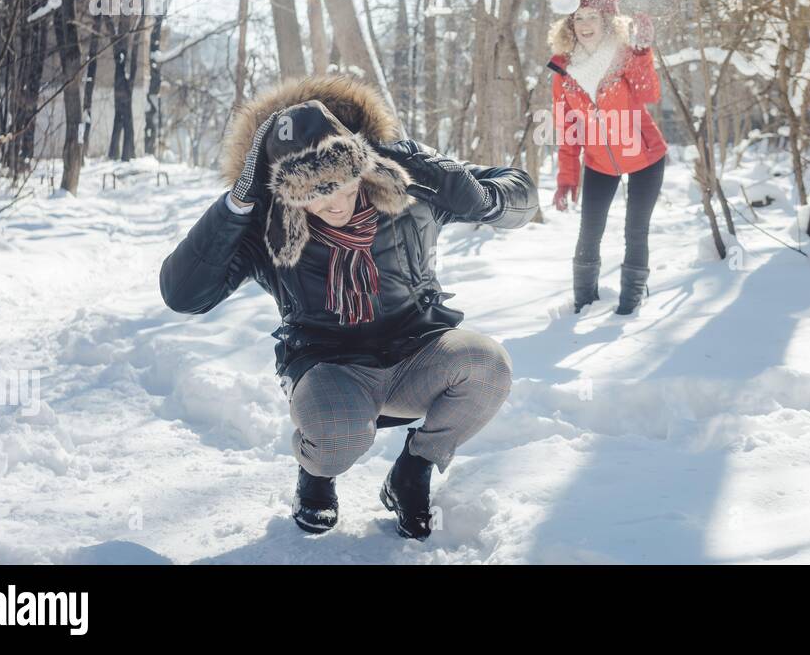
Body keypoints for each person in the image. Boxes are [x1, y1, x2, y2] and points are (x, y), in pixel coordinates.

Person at [158, 74, 536, 540]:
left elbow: (521, 194)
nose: (334, 202)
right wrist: (236, 204)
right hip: (330, 366)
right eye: (313, 192)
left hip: (416, 352)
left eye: (341, 182)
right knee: (338, 435)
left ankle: (411, 471)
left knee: (487, 366)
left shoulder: (406, 188)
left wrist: (469, 191)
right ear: (287, 194)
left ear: (359, 163)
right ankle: (316, 476)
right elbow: (183, 295)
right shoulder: (269, 228)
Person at [547, 0, 668, 315]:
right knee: (590, 232)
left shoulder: (626, 55)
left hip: (646, 157)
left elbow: (649, 94)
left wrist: (643, 52)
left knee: (635, 230)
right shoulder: (563, 70)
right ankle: (583, 305)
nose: (585, 25)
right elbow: (567, 128)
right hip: (599, 163)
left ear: (607, 20)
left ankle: (629, 308)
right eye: (578, 18)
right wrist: (567, 178)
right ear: (569, 25)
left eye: (592, 17)